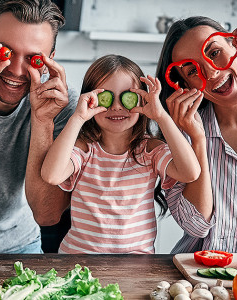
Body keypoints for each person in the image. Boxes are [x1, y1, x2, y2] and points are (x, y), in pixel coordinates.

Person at [40, 54, 201, 254]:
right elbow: (51, 175)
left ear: (142, 99)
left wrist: (160, 116)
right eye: (105, 97)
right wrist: (78, 117)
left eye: (127, 97)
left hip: (135, 265)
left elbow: (190, 172)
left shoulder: (149, 150)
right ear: (89, 99)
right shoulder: (84, 149)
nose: (116, 106)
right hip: (78, 262)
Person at [0, 0, 77, 253]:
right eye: (4, 51)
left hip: (20, 248)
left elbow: (47, 215)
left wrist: (42, 121)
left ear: (50, 60)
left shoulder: (62, 106)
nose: (15, 70)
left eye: (33, 59)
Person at [155, 16, 237, 253]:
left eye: (214, 53)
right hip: (201, 276)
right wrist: (198, 140)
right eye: (193, 70)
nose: (211, 73)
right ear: (185, 85)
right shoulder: (181, 137)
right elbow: (196, 226)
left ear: (236, 46)